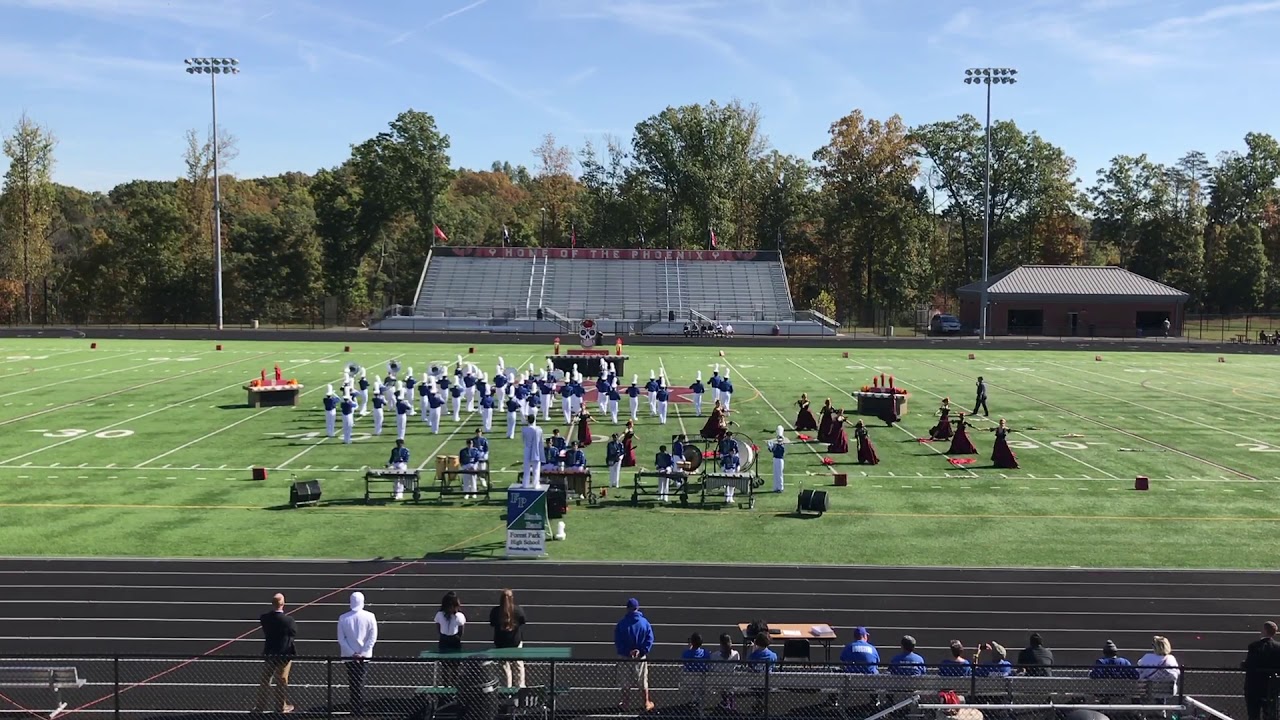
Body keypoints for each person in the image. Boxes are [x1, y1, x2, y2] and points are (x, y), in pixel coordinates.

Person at [253, 593, 296, 714]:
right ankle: (280, 706)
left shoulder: (265, 618)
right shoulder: (288, 620)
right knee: (282, 680)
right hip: (284, 653)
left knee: (265, 679)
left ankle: (260, 706)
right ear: (283, 603)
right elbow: (293, 632)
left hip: (270, 652)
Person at [337, 592, 378, 715]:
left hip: (349, 656)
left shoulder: (343, 618)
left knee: (352, 680)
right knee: (360, 680)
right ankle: (358, 705)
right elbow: (372, 637)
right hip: (364, 656)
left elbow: (341, 639)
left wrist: (352, 653)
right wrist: (363, 652)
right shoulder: (370, 616)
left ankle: (354, 704)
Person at [615, 598, 655, 712]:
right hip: (640, 657)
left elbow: (618, 641)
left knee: (625, 680)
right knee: (642, 679)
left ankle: (625, 703)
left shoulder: (622, 623)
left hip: (625, 656)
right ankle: (646, 702)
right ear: (637, 608)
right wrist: (641, 651)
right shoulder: (644, 623)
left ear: (627, 609)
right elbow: (649, 639)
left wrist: (627, 651)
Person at [489, 589, 527, 688]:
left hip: (501, 644)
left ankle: (507, 689)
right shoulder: (518, 610)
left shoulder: (495, 612)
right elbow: (523, 621)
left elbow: (492, 623)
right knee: (518, 665)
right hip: (515, 642)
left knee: (505, 668)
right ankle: (520, 687)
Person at [1243, 621, 1280, 720]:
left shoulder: (1254, 646)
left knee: (1253, 715)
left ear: (1264, 630)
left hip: (1253, 686)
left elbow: (1249, 664)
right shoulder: (1278, 647)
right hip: (1270, 687)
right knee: (1271, 714)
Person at [712, 633, 741, 710]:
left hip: (719, 682)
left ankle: (726, 701)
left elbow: (712, 668)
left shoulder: (714, 655)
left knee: (721, 680)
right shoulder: (736, 654)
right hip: (732, 682)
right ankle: (729, 701)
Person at [521, 415, 544, 489]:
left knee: (526, 467)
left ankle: (525, 484)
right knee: (536, 468)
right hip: (536, 449)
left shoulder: (524, 429)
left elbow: (523, 440)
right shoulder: (539, 429)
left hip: (527, 449)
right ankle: (536, 484)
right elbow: (541, 441)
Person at [767, 426, 786, 492]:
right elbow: (771, 450)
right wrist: (769, 446)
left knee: (779, 474)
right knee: (775, 474)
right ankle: (775, 487)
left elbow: (774, 450)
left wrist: (770, 446)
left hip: (780, 460)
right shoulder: (777, 445)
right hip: (775, 459)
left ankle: (780, 488)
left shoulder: (782, 446)